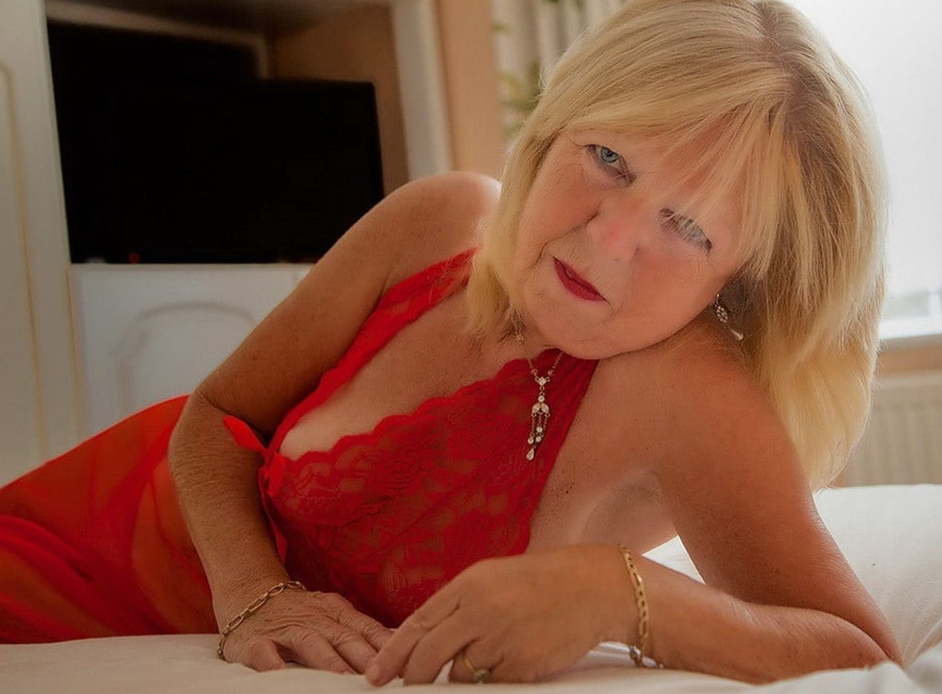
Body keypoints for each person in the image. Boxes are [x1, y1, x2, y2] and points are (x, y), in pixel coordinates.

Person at [0, 0, 903, 685]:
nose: (611, 237)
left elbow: (862, 653)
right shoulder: (438, 222)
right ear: (552, 131)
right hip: (76, 537)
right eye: (609, 158)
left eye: (690, 225)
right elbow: (212, 415)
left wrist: (621, 592)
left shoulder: (688, 390)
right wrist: (256, 596)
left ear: (736, 282)